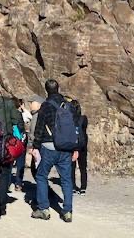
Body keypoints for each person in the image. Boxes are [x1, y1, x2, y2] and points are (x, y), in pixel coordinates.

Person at [31, 80, 79, 223]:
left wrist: (35, 146)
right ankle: (67, 211)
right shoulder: (68, 105)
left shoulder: (45, 106)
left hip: (49, 147)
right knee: (66, 180)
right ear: (58, 88)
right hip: (66, 148)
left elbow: (39, 128)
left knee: (41, 176)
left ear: (47, 90)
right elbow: (74, 128)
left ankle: (44, 209)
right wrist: (75, 148)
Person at [0, 79, 25, 217]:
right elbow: (17, 120)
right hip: (5, 143)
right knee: (5, 175)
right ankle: (1, 207)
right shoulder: (7, 102)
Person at [13, 98, 32, 192]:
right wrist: (23, 109)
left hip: (10, 141)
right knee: (20, 162)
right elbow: (30, 117)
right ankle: (18, 183)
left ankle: (5, 181)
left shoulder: (7, 114)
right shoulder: (21, 114)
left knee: (7, 163)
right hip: (20, 141)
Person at [70, 100, 88, 195]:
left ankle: (73, 186)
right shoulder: (83, 118)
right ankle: (83, 187)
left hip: (72, 145)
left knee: (72, 167)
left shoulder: (69, 119)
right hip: (82, 146)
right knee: (83, 167)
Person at [27, 95, 44, 180]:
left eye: (32, 103)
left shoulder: (36, 115)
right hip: (41, 145)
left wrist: (31, 146)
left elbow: (32, 132)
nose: (30, 105)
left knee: (36, 170)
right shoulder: (40, 114)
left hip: (37, 146)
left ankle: (45, 191)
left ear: (38, 104)